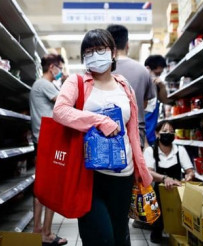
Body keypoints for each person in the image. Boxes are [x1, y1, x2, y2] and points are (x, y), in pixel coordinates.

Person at [53, 29, 153, 246]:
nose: (95, 55)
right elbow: (59, 111)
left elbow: (133, 131)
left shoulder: (124, 86)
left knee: (120, 236)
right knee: (101, 238)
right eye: (89, 51)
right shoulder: (77, 82)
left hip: (123, 175)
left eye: (100, 49)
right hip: (90, 176)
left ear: (113, 52)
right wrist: (99, 121)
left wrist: (140, 169)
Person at [29, 53, 68, 246]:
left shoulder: (43, 85)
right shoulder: (44, 84)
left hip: (44, 139)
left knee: (42, 187)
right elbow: (64, 104)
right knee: (50, 187)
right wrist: (69, 85)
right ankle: (46, 233)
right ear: (52, 67)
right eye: (60, 68)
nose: (61, 71)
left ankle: (40, 231)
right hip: (48, 139)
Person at [143, 120, 195, 243]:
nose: (168, 134)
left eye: (171, 132)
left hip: (177, 193)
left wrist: (189, 177)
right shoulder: (150, 151)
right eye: (165, 131)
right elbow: (149, 173)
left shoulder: (180, 150)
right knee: (156, 233)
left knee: (179, 227)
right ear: (157, 134)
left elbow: (190, 171)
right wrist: (165, 178)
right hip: (158, 194)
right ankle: (157, 231)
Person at [106, 24, 156, 149]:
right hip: (136, 135)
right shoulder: (143, 71)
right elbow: (145, 105)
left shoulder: (101, 70)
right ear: (127, 44)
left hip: (106, 133)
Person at [144, 55, 172, 146]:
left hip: (151, 131)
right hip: (143, 133)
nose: (158, 77)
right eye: (156, 74)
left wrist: (162, 86)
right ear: (147, 69)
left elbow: (165, 100)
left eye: (160, 74)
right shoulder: (141, 83)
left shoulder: (156, 85)